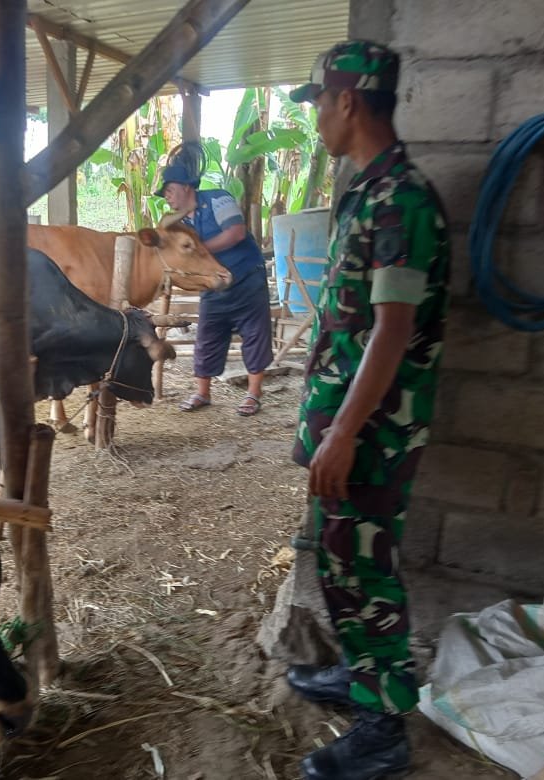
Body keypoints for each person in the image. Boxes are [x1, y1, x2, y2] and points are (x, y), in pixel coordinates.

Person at [286, 41, 451, 779]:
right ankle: (362, 679)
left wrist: (345, 433)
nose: (317, 115)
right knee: (341, 561)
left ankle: (384, 731)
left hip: (374, 434)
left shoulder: (403, 200)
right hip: (347, 425)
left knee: (367, 570)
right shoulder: (369, 189)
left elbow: (391, 330)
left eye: (320, 101)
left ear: (348, 101)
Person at [156, 166, 273, 416]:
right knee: (207, 335)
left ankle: (253, 394)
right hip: (213, 283)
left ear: (187, 186)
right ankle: (203, 393)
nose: (166, 196)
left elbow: (236, 233)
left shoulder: (219, 199)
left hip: (246, 276)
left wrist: (200, 251)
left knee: (255, 334)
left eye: (169, 190)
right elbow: (166, 243)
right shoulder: (179, 221)